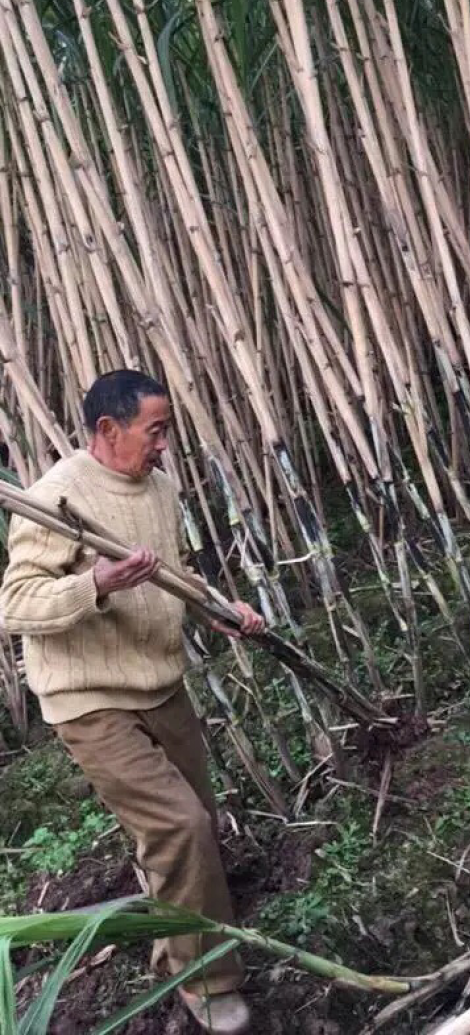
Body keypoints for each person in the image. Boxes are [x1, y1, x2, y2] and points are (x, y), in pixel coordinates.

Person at [0, 370, 265, 1034]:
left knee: (190, 821)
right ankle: (207, 980)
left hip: (160, 681)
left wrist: (217, 609)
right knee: (181, 826)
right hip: (89, 699)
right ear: (109, 430)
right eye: (157, 429)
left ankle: (170, 942)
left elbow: (172, 571)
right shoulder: (55, 498)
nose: (166, 444)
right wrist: (97, 581)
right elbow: (14, 604)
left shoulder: (161, 486)